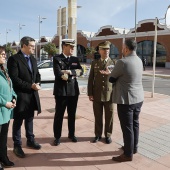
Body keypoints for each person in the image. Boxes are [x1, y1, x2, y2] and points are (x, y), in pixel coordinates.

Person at [109, 38, 144, 162]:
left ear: (127, 49)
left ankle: (128, 154)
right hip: (138, 98)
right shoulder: (139, 60)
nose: (122, 49)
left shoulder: (122, 62)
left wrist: (111, 74)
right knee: (135, 124)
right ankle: (133, 147)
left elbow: (111, 79)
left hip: (126, 100)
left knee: (127, 127)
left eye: (123, 47)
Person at [7, 36, 41, 158]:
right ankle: (17, 145)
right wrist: (31, 86)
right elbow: (14, 79)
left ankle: (30, 140)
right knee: (18, 121)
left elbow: (37, 74)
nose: (33, 48)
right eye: (31, 46)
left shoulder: (33, 59)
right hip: (21, 96)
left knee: (30, 118)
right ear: (24, 46)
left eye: (34, 46)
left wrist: (37, 83)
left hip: (32, 95)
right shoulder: (14, 59)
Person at [53, 39, 83, 146]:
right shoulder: (57, 58)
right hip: (61, 92)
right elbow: (58, 74)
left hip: (73, 92)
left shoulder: (75, 59)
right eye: (70, 47)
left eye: (73, 47)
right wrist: (72, 75)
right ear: (64, 46)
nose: (73, 49)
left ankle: (71, 134)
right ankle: (57, 137)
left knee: (72, 114)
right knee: (59, 115)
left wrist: (70, 72)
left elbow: (81, 71)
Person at [87, 41, 114, 144]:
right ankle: (97, 134)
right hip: (97, 94)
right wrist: (90, 93)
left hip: (110, 95)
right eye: (103, 49)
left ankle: (108, 135)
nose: (106, 51)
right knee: (98, 116)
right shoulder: (95, 63)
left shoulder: (114, 63)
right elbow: (91, 79)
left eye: (107, 49)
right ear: (99, 51)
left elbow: (118, 79)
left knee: (109, 116)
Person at [0, 46, 17, 169]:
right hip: (1, 109)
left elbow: (10, 86)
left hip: (5, 112)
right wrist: (4, 102)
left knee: (3, 138)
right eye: (2, 54)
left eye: (5, 54)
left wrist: (13, 97)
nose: (4, 56)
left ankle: (4, 158)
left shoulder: (4, 70)